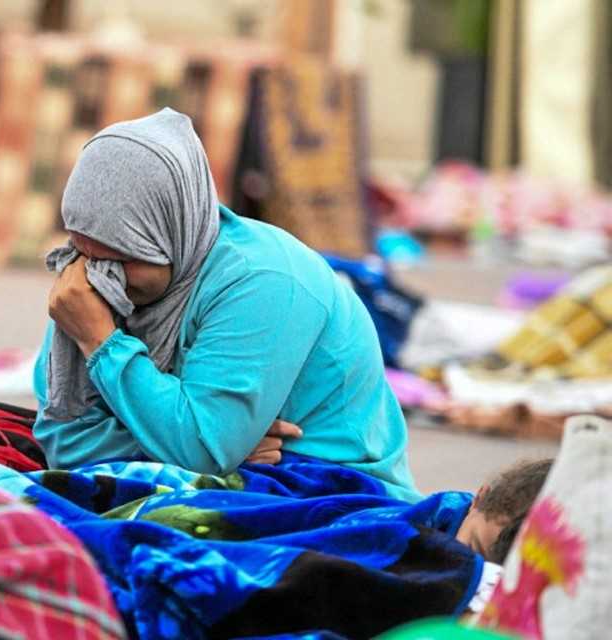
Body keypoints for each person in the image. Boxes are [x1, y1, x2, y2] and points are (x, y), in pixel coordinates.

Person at [34, 108, 420, 500]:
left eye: (122, 259)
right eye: (85, 252)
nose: (101, 277)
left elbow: (201, 450)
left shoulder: (263, 280)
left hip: (327, 484)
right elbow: (64, 442)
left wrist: (102, 343)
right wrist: (204, 451)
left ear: (174, 231)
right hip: (231, 473)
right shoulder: (86, 280)